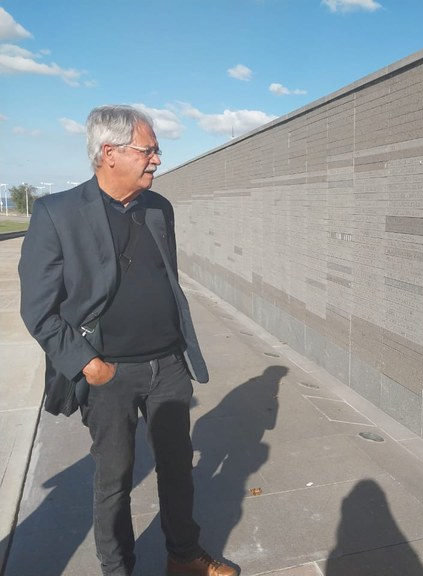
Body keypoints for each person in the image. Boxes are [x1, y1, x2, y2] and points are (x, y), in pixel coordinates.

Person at [18, 105, 238, 576]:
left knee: (178, 471)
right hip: (109, 372)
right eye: (148, 149)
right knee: (114, 481)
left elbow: (165, 277)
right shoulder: (56, 214)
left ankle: (183, 556)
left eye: (156, 149)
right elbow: (38, 308)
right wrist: (87, 364)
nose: (157, 158)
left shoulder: (159, 208)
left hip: (168, 366)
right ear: (109, 153)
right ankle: (118, 570)